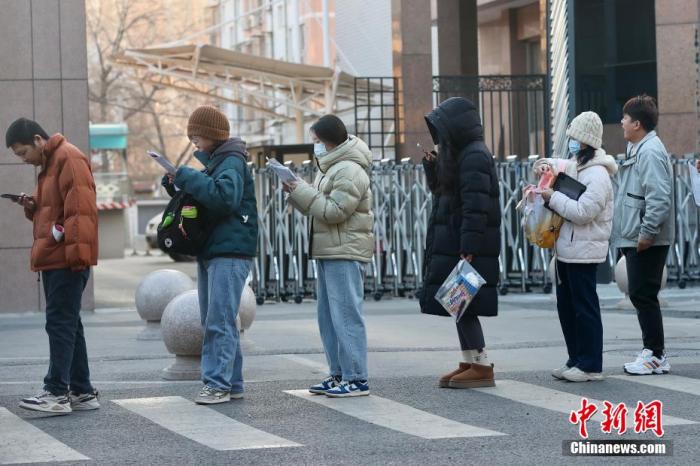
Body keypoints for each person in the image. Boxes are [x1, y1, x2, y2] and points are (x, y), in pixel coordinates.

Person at [163, 105, 258, 404]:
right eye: (191, 135)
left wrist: (188, 176)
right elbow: (208, 196)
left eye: (197, 135)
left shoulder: (231, 161)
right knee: (217, 319)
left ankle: (217, 384)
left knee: (219, 320)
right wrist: (176, 182)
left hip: (229, 250)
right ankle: (232, 383)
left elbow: (224, 198)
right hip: (215, 248)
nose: (193, 141)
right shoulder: (219, 162)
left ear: (213, 134)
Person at [6, 118, 99, 413]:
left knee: (59, 322)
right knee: (69, 323)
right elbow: (57, 209)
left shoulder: (67, 157)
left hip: (65, 258)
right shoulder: (50, 164)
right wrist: (32, 205)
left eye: (23, 153)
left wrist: (77, 257)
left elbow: (80, 210)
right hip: (57, 256)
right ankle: (82, 391)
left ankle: (56, 392)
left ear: (38, 139)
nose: (23, 160)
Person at [285, 115, 373, 397]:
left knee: (345, 315)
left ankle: (356, 377)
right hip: (329, 249)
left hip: (345, 250)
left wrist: (303, 191)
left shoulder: (349, 169)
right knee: (329, 317)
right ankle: (338, 374)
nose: (315, 146)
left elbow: (335, 211)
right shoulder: (331, 167)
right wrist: (297, 191)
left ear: (329, 141)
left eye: (316, 141)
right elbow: (319, 207)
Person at [418, 97, 501, 389]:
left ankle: (481, 365)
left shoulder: (474, 156)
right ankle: (470, 360)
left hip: (468, 246)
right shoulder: (462, 154)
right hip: (458, 242)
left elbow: (475, 206)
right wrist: (433, 167)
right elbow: (444, 192)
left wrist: (469, 247)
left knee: (465, 306)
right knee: (459, 304)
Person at [534, 111, 617, 382]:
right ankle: (576, 359)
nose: (570, 143)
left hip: (585, 252)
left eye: (574, 139)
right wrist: (543, 166)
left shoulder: (598, 174)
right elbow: (552, 163)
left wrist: (553, 197)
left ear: (585, 142)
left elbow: (583, 213)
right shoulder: (575, 165)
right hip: (567, 250)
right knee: (567, 308)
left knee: (585, 309)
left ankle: (591, 365)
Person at [612, 95, 674, 376]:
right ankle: (652, 351)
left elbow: (658, 197)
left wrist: (647, 233)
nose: (622, 122)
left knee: (643, 294)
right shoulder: (639, 148)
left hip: (647, 237)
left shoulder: (649, 151)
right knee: (641, 294)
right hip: (636, 234)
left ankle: (655, 354)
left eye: (625, 118)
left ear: (637, 123)